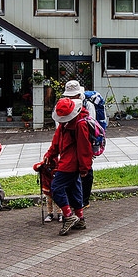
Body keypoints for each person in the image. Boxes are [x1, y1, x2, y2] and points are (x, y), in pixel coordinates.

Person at [44, 97, 94, 235]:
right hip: (69, 162)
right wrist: (50, 154)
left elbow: (84, 148)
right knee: (74, 188)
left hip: (70, 164)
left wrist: (85, 168)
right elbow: (57, 139)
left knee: (56, 187)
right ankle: (80, 218)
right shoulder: (66, 123)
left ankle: (69, 216)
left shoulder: (79, 124)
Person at [63, 80, 95, 209]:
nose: (70, 98)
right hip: (70, 144)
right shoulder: (63, 105)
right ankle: (76, 201)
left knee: (86, 171)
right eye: (68, 96)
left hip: (84, 140)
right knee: (73, 173)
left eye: (73, 96)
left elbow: (91, 123)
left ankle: (84, 200)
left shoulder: (88, 106)